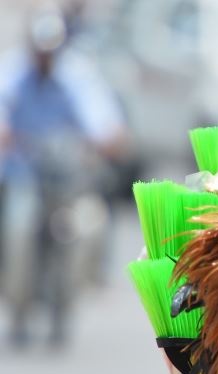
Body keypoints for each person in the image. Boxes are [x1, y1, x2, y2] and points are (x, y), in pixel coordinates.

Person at [0, 4, 127, 346]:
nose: (44, 58)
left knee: (89, 224)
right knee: (17, 224)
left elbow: (101, 119)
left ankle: (87, 281)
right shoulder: (13, 71)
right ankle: (15, 297)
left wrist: (105, 138)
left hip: (65, 176)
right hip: (24, 172)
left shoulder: (76, 74)